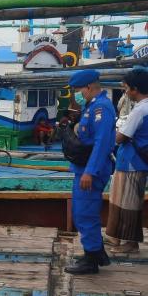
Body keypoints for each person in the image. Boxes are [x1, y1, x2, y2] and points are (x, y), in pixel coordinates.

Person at [64, 69, 115, 275]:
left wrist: (90, 172)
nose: (77, 94)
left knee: (85, 213)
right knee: (83, 210)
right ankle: (97, 252)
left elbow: (102, 143)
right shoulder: (92, 106)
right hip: (84, 167)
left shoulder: (101, 108)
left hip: (91, 170)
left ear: (88, 87)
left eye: (78, 90)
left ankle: (91, 260)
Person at [105, 68, 148, 254]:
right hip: (135, 162)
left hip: (131, 162)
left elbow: (121, 137)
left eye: (126, 89)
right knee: (122, 200)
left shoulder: (140, 110)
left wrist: (109, 134)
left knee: (128, 202)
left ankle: (130, 243)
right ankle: (116, 237)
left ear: (135, 89)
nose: (125, 92)